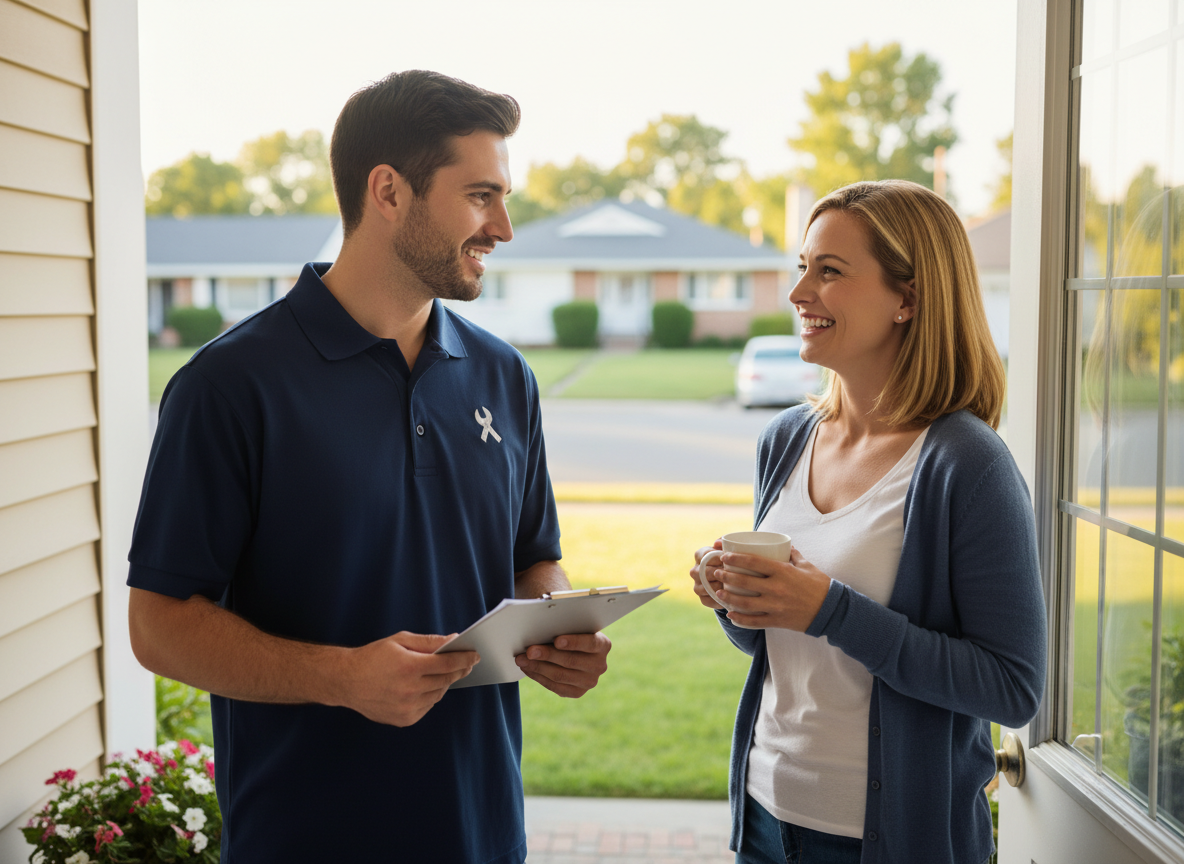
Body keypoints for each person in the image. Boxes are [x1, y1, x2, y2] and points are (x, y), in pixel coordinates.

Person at [127, 70, 611, 864]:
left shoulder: (503, 376)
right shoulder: (229, 387)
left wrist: (557, 625)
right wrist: (342, 676)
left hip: (483, 829)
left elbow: (533, 557)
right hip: (305, 835)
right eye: (481, 195)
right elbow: (160, 626)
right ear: (389, 191)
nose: (506, 227)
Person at [691, 180, 1046, 864]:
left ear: (907, 299)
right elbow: (786, 651)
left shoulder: (967, 464)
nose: (799, 293)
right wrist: (736, 599)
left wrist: (829, 609)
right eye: (802, 267)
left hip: (886, 841)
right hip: (766, 815)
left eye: (829, 271)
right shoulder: (787, 438)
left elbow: (1011, 685)